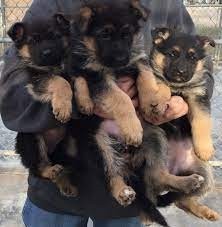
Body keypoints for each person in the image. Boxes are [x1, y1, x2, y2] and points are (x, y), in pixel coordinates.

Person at [0, 0, 214, 226]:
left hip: (129, 190)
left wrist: (180, 100)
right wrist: (77, 102)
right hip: (60, 188)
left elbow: (202, 67)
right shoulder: (54, 3)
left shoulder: (165, 4)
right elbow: (11, 92)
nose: (120, 48)